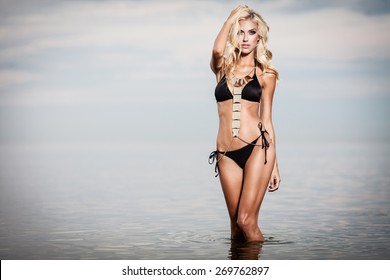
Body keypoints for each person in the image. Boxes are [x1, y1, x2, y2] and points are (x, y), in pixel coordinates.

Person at [209, 5, 281, 242]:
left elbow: (267, 120)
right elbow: (217, 50)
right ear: (234, 34)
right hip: (226, 153)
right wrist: (231, 18)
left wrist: (275, 166)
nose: (246, 38)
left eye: (251, 32)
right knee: (235, 226)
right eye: (240, 32)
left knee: (246, 221)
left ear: (259, 36)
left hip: (258, 149)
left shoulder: (266, 74)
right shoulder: (223, 70)